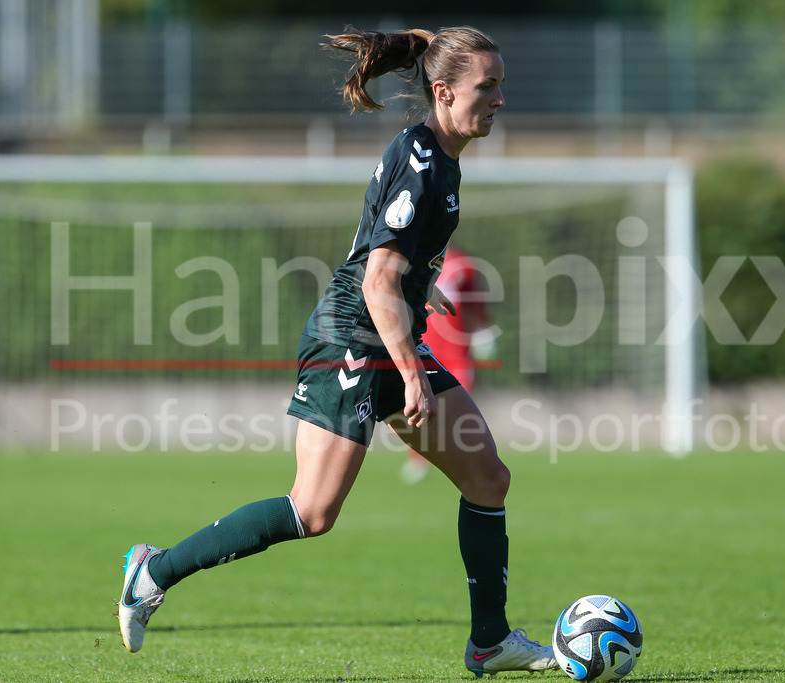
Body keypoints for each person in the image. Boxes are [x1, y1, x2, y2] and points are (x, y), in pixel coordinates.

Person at [117, 25, 557, 677]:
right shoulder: (421, 162)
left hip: (389, 331)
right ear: (443, 91)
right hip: (352, 338)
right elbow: (376, 280)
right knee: (313, 510)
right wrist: (411, 369)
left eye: (500, 85)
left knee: (488, 478)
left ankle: (489, 641)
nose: (499, 99)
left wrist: (422, 284)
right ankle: (153, 571)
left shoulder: (440, 157)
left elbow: (389, 257)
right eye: (486, 87)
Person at [400, 244, 496, 483]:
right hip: (424, 350)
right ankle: (418, 459)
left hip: (457, 354)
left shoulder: (463, 264)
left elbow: (475, 304)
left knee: (462, 412)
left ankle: (465, 458)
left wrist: (483, 330)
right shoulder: (414, 258)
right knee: (419, 408)